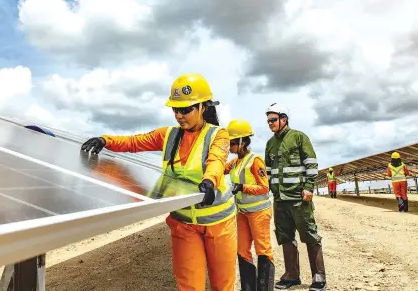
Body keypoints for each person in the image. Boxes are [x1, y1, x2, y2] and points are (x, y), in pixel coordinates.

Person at [81, 73, 237, 291]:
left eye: (185, 110)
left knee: (223, 286)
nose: (179, 116)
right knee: (190, 286)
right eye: (175, 109)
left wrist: (209, 182)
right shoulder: (169, 135)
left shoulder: (218, 135)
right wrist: (105, 140)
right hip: (183, 224)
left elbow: (216, 160)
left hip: (219, 225)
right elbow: (135, 142)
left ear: (203, 107)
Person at [264, 103, 326, 291]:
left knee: (310, 235)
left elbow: (311, 164)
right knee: (285, 237)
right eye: (268, 121)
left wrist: (309, 187)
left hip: (299, 198)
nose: (270, 123)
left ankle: (319, 277)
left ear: (284, 119)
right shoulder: (270, 143)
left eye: (273, 120)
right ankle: (291, 276)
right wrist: (270, 190)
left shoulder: (299, 137)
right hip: (280, 199)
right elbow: (267, 171)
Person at [224, 119, 275, 291]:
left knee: (263, 250)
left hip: (259, 212)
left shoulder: (255, 161)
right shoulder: (235, 163)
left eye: (231, 143)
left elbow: (264, 187)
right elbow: (220, 169)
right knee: (242, 250)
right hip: (243, 213)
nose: (229, 147)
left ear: (242, 141)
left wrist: (242, 187)